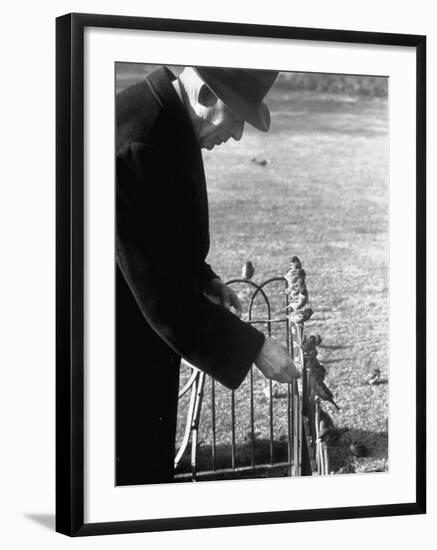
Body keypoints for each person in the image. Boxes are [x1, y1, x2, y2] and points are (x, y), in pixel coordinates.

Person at [116, 65, 300, 485]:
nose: (236, 135)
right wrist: (255, 347)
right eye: (236, 118)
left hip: (138, 344)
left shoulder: (167, 122)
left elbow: (158, 236)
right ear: (204, 96)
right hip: (112, 363)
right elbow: (158, 295)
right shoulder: (137, 141)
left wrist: (202, 278)